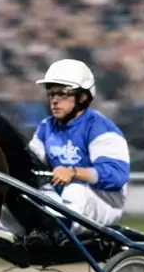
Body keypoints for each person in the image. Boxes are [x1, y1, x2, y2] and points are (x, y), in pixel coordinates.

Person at [23, 59, 131, 244]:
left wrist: (73, 172)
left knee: (75, 188)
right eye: (51, 94)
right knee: (23, 193)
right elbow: (31, 164)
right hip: (63, 201)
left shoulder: (100, 128)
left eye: (63, 94)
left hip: (103, 203)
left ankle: (58, 233)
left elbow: (116, 175)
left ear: (82, 97)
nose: (54, 100)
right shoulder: (46, 127)